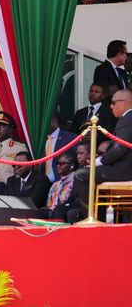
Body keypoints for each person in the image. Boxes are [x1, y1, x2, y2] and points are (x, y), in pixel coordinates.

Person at [74, 89, 132, 218]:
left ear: (125, 103)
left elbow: (119, 149)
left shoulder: (127, 119)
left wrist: (98, 162)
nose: (111, 106)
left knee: (81, 175)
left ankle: (91, 217)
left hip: (125, 170)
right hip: (124, 167)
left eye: (113, 103)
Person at [0, 111, 28, 184]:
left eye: (2, 125)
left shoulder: (20, 148)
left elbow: (23, 172)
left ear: (10, 129)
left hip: (9, 189)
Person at [40, 152, 79, 222]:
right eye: (57, 163)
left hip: (64, 211)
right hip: (52, 213)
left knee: (59, 210)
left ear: (72, 166)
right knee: (39, 212)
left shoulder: (76, 181)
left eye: (62, 163)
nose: (58, 166)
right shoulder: (55, 185)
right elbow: (48, 204)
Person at [44, 112, 78, 183]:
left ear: (55, 121)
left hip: (63, 182)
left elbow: (77, 160)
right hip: (42, 183)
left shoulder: (70, 138)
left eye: (46, 121)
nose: (43, 124)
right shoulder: (39, 140)